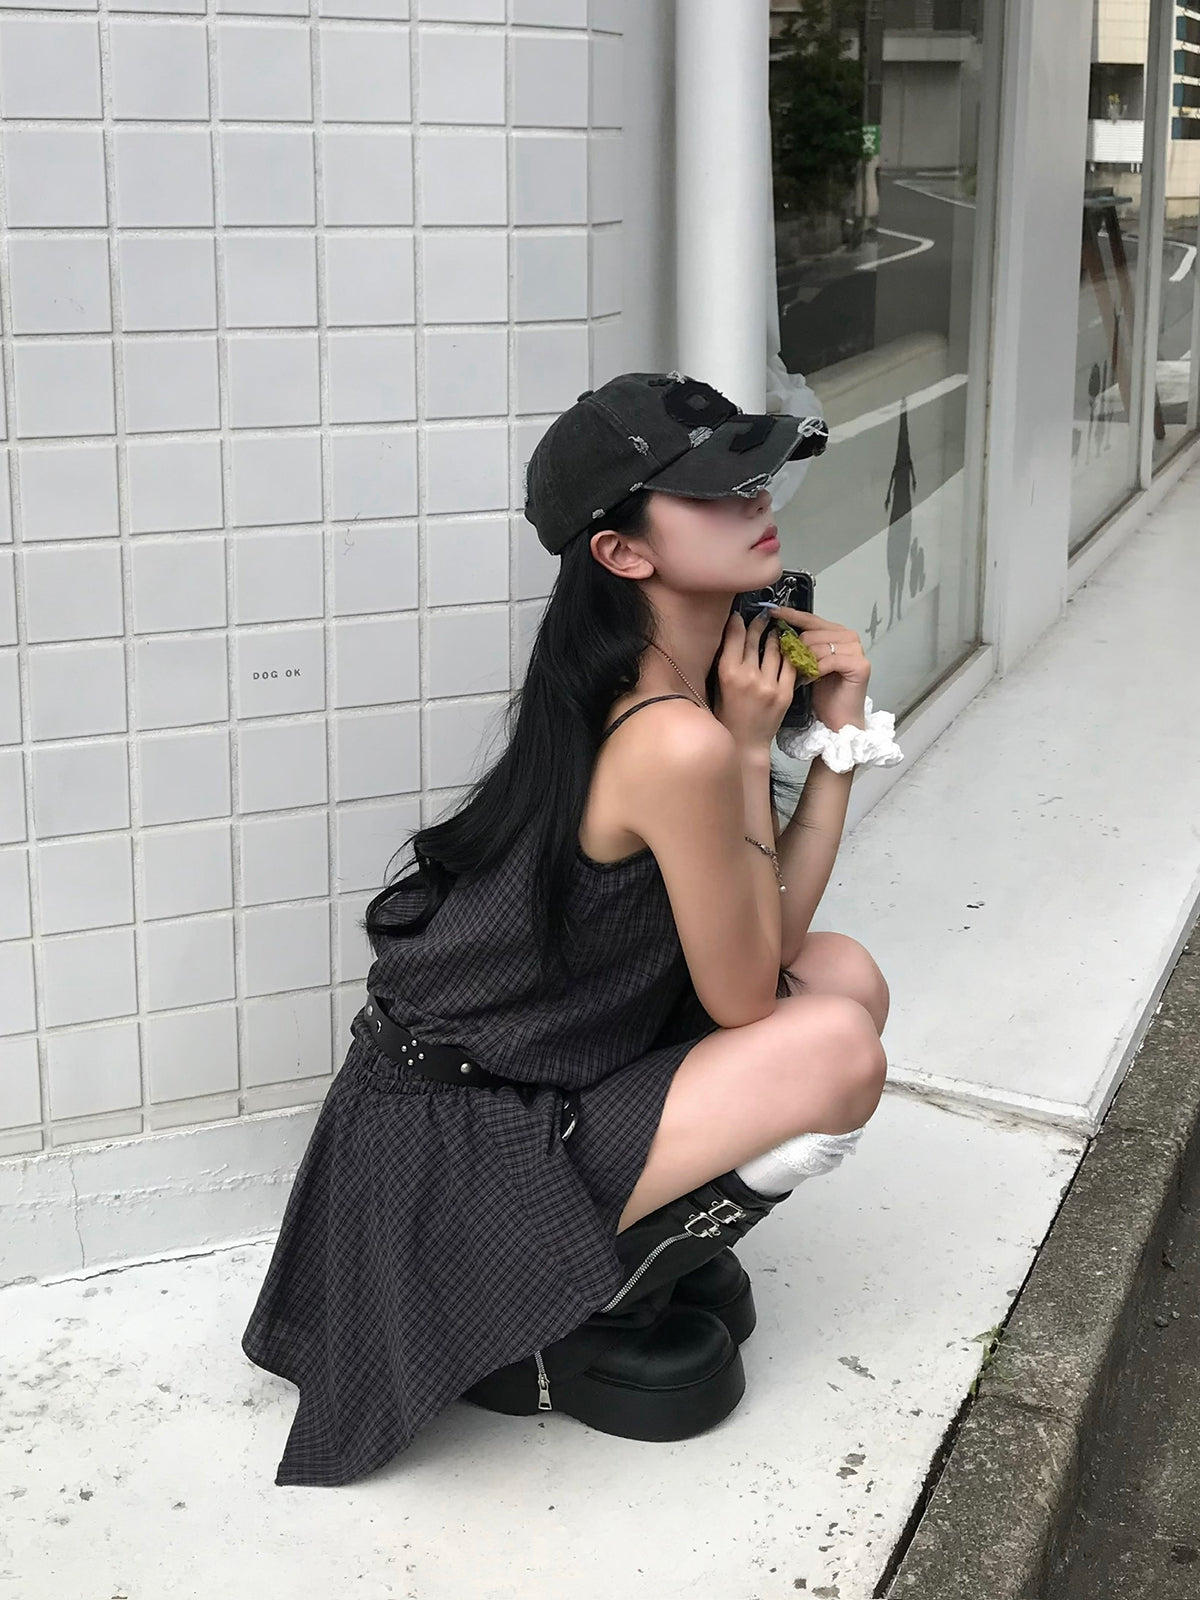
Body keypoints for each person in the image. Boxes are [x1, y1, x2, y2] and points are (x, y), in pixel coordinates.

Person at [239, 370, 902, 1487]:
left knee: (842, 975)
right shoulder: (676, 736)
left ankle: (617, 1264)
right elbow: (749, 994)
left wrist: (830, 746)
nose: (753, 497)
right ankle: (564, 1309)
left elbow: (773, 946)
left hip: (529, 1084)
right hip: (456, 1153)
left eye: (753, 473)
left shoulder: (672, 685)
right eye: (711, 489)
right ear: (621, 552)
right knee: (833, 1042)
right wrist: (754, 750)